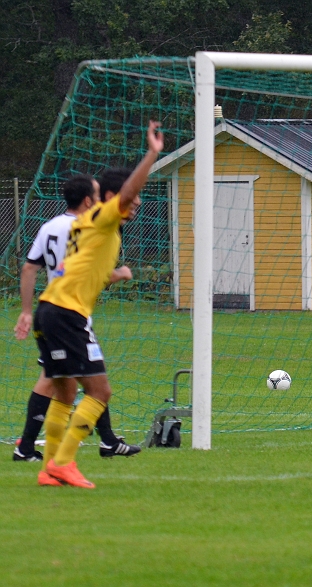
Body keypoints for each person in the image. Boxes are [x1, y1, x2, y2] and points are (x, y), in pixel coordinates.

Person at [33, 120, 163, 488]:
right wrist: (152, 154)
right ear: (111, 196)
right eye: (132, 198)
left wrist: (115, 276)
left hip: (51, 310)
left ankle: (49, 470)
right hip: (66, 314)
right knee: (100, 392)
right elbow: (124, 195)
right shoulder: (105, 218)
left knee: (66, 392)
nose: (136, 203)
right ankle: (64, 462)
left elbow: (83, 269)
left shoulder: (86, 223)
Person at [12, 175, 139, 461]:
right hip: (68, 312)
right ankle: (33, 450)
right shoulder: (90, 227)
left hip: (58, 308)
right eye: (96, 194)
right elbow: (88, 271)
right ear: (88, 199)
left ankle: (103, 442)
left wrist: (25, 310)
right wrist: (119, 274)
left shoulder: (49, 227)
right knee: (71, 382)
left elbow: (30, 268)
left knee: (85, 379)